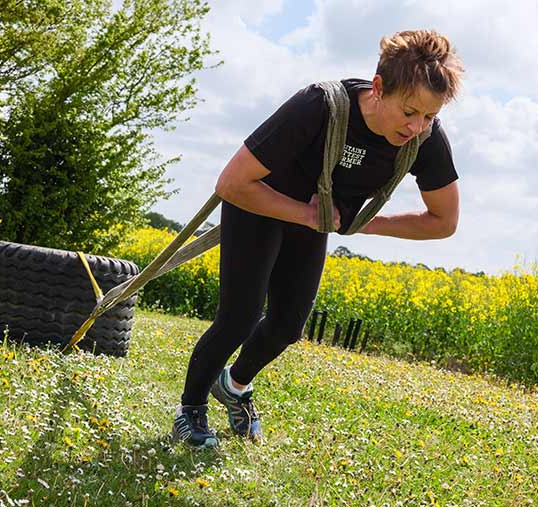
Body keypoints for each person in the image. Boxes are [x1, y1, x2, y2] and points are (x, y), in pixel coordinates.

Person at [172, 29, 464, 448]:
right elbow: (232, 183)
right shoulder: (319, 106)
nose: (418, 127)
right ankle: (190, 408)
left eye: (430, 117)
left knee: (287, 326)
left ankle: (233, 387)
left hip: (316, 221)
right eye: (410, 112)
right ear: (379, 88)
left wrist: (363, 223)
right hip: (259, 202)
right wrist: (305, 213)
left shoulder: (424, 138)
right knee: (240, 316)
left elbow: (443, 220)